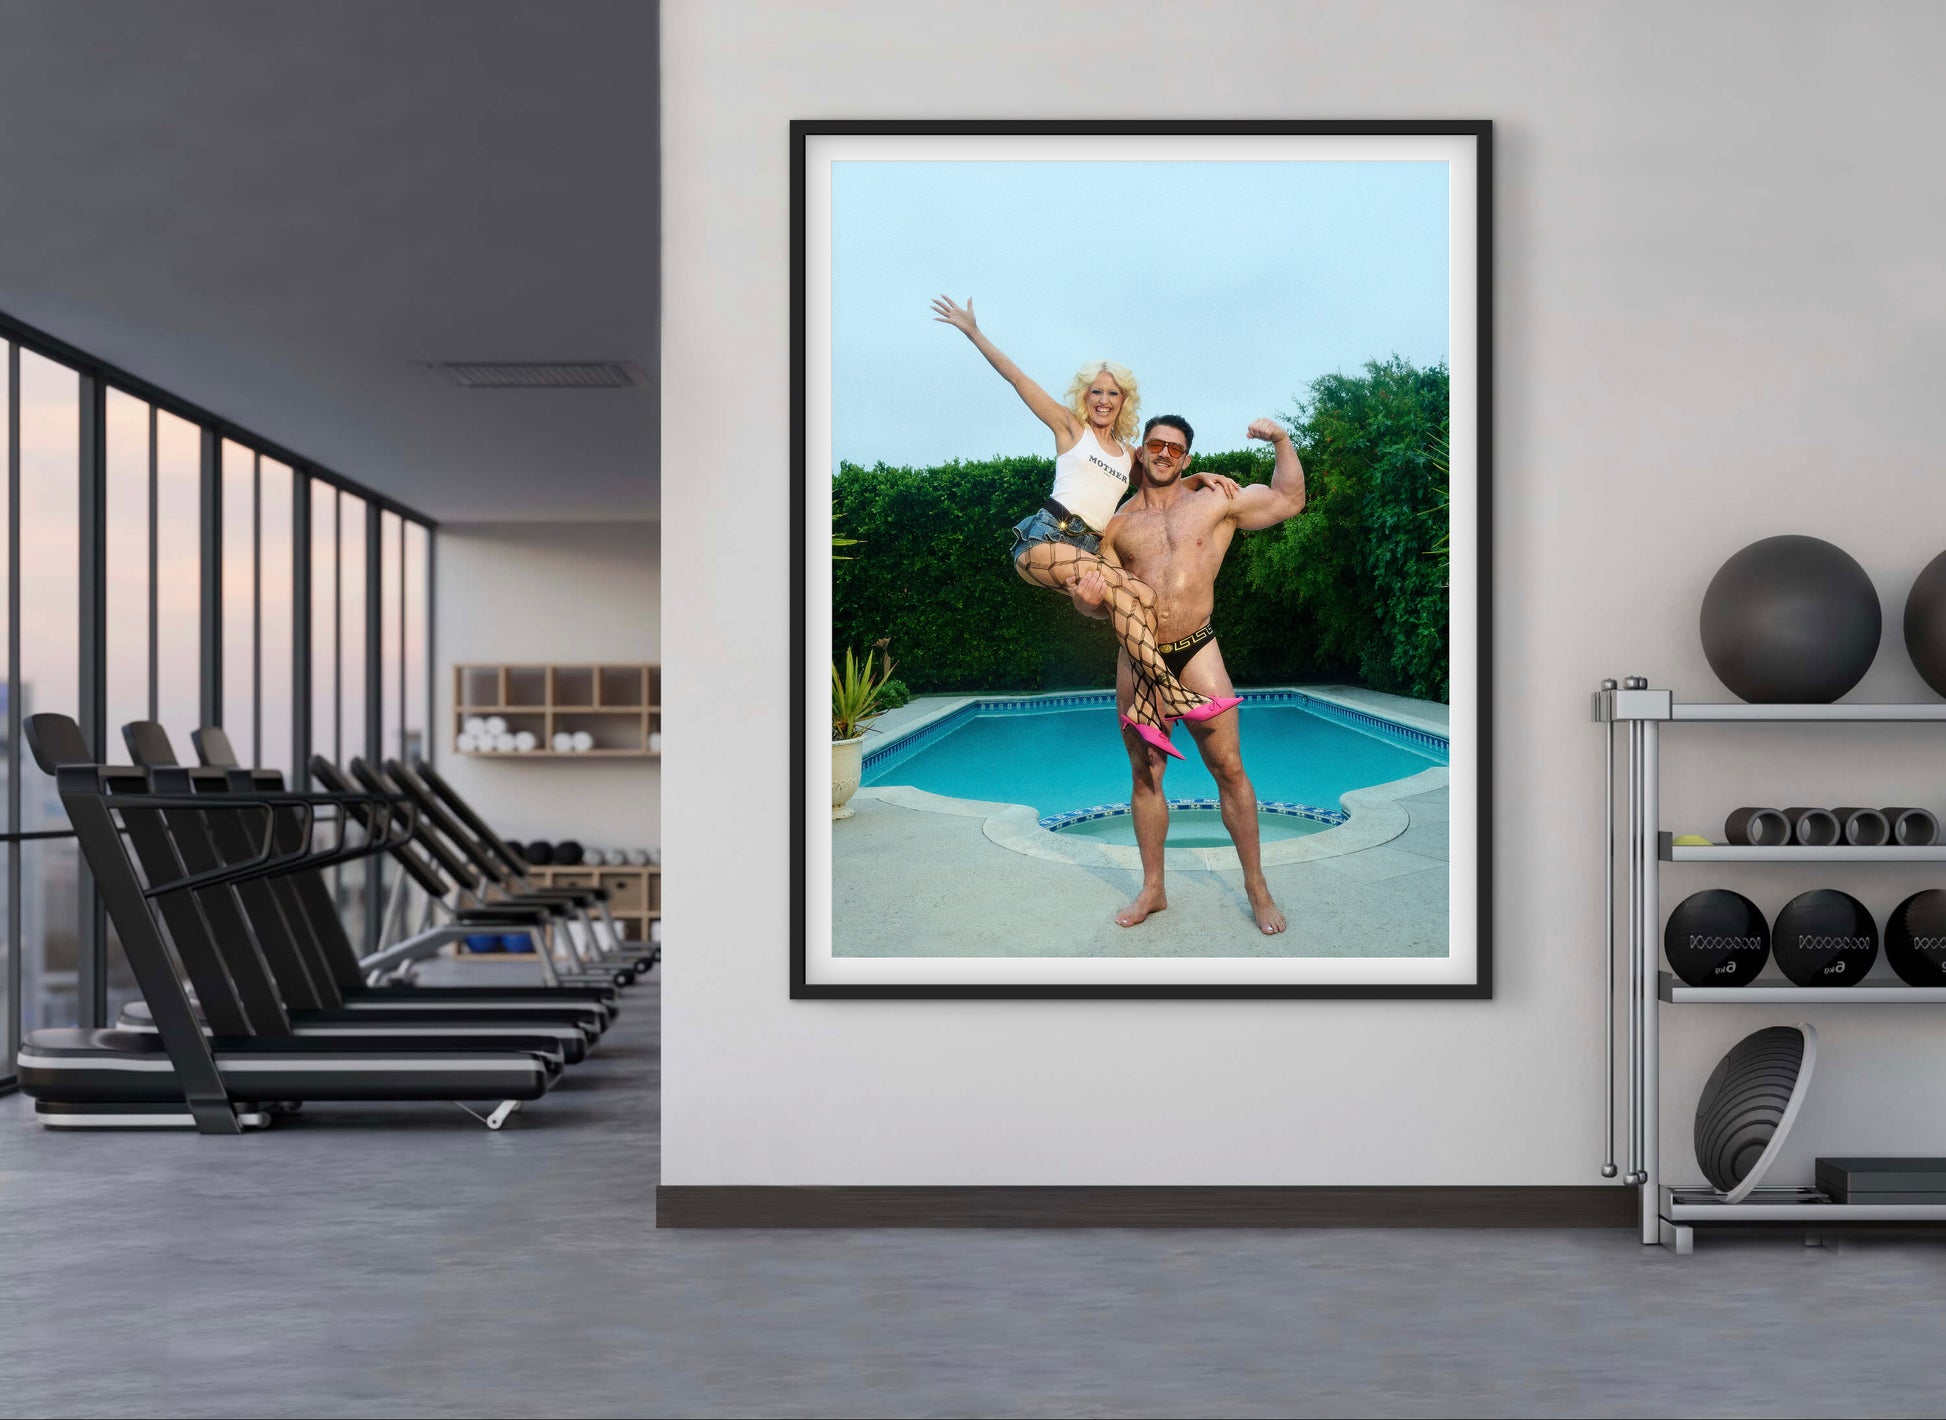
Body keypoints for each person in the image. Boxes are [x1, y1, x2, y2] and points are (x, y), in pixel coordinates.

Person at [930, 296, 1239, 760]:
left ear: (1123, 401)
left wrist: (1197, 478)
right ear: (1085, 396)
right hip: (1045, 538)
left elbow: (1161, 475)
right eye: (1096, 391)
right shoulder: (1068, 429)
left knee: (1145, 600)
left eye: (1112, 393)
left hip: (1086, 550)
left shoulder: (1128, 453)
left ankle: (1148, 713)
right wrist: (973, 331)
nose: (1103, 399)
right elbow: (1016, 378)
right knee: (1132, 595)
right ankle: (1171, 693)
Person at [1071, 413, 1308, 935]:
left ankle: (1257, 887)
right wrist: (1083, 600)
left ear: (1186, 458)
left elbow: (1289, 499)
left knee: (1228, 769)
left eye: (1175, 449)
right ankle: (1153, 889)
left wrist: (1283, 441)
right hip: (1137, 658)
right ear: (1141, 451)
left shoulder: (1214, 500)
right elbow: (1098, 603)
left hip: (1197, 650)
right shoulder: (1116, 525)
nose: (1163, 454)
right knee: (1145, 775)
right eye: (1155, 445)